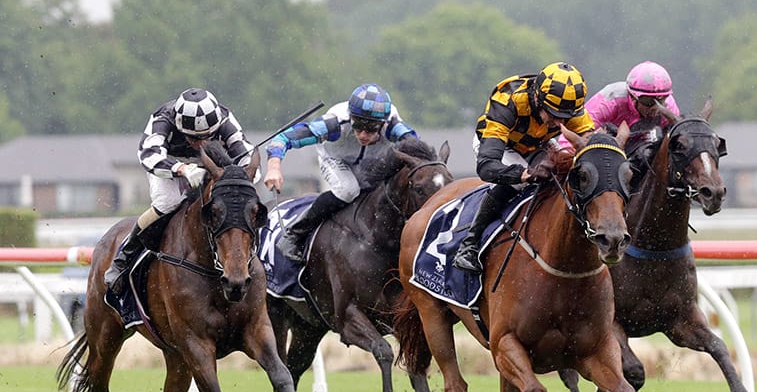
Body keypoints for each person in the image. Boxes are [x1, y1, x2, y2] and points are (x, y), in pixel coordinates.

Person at [104, 88, 254, 294]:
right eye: (194, 139)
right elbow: (149, 155)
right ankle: (124, 258)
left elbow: (247, 157)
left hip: (213, 165)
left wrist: (235, 177)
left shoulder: (225, 119)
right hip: (169, 165)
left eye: (207, 137)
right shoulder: (163, 120)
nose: (201, 144)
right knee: (168, 201)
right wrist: (182, 169)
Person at [452, 62, 596, 273]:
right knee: (517, 185)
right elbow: (487, 167)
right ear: (537, 98)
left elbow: (590, 142)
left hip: (537, 144)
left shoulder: (570, 108)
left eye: (564, 118)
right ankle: (469, 245)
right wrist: (524, 174)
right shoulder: (507, 102)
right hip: (501, 145)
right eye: (552, 114)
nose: (558, 122)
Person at [265, 83, 417, 263]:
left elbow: (418, 149)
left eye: (371, 128)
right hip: (336, 159)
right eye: (358, 125)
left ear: (383, 124)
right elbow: (283, 138)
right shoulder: (334, 124)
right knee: (348, 190)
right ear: (350, 117)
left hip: (374, 163)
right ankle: (295, 234)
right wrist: (273, 167)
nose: (363, 134)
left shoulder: (394, 127)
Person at [584, 61, 682, 130]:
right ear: (632, 96)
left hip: (642, 143)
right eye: (648, 101)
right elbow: (582, 132)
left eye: (661, 101)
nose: (655, 107)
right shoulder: (611, 99)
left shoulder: (668, 104)